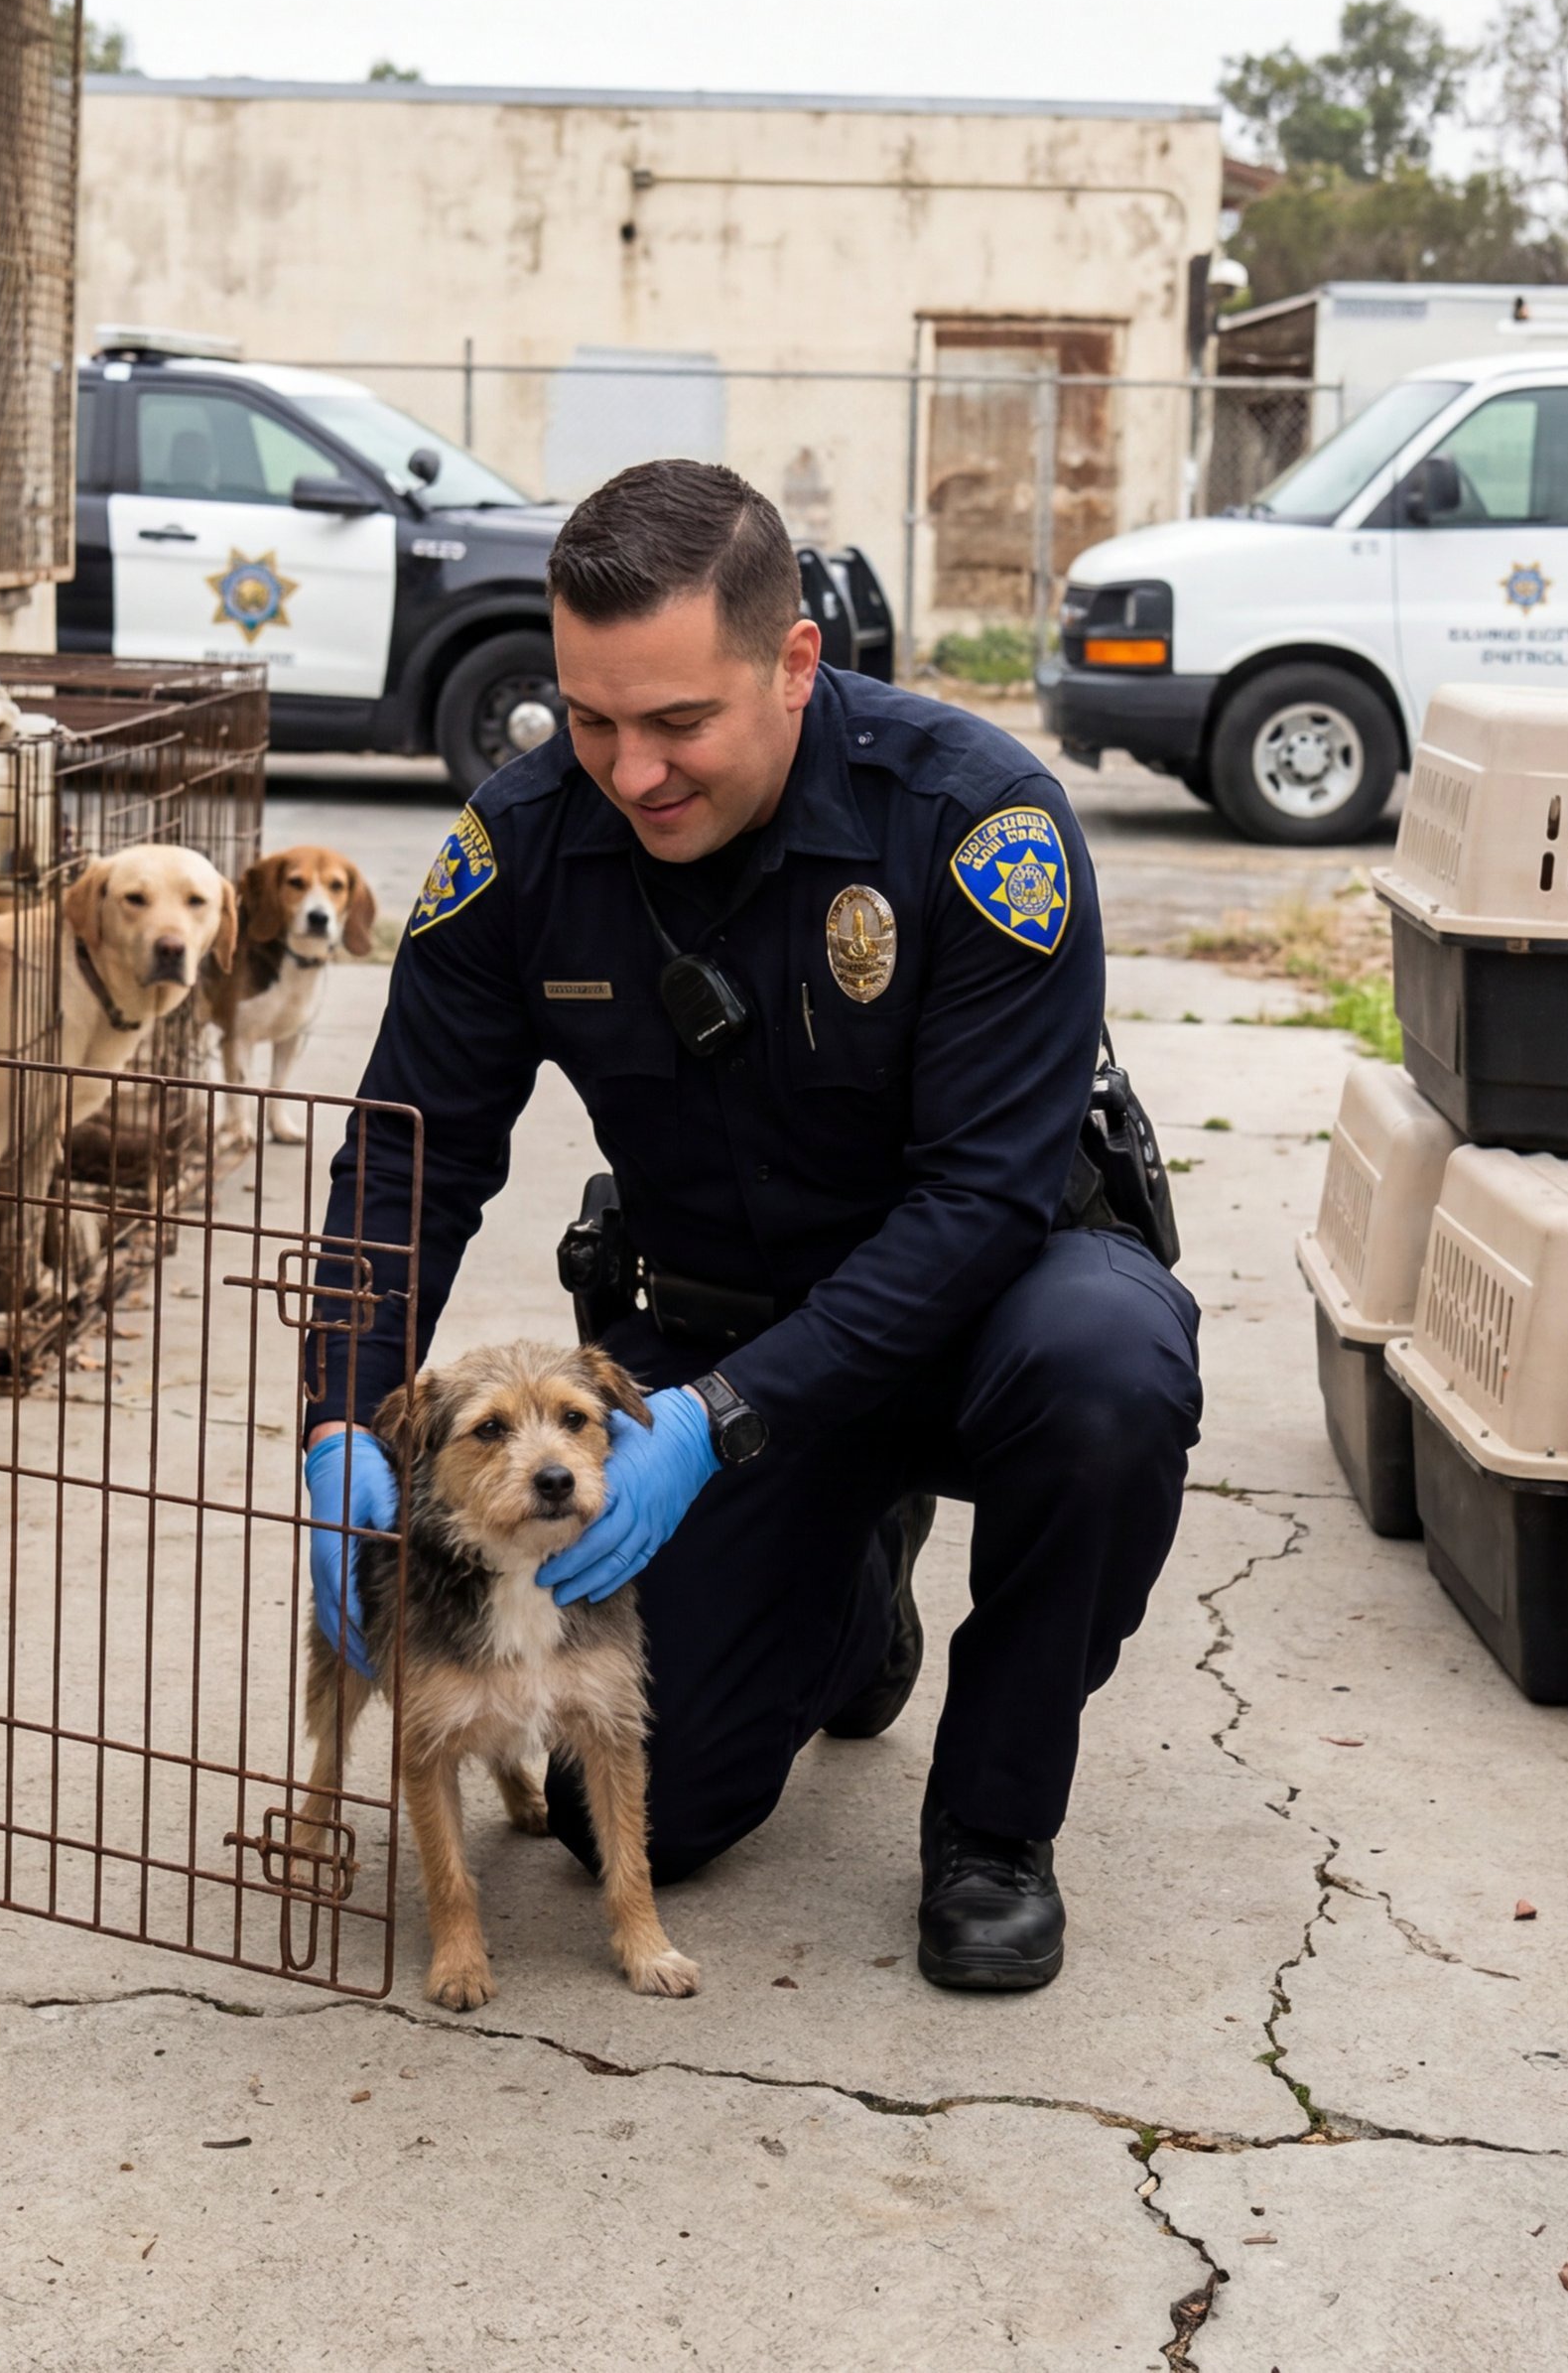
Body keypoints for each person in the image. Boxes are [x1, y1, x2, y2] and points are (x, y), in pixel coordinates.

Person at [302, 459, 1201, 1992]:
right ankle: (851, 1604)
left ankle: (994, 1823)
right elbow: (410, 1152)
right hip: (713, 1321)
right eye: (590, 718)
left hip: (981, 1317)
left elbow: (982, 1199)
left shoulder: (974, 821)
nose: (630, 770)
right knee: (625, 1803)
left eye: (677, 722)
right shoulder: (524, 843)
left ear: (794, 662)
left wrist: (721, 1425)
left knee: (1110, 1368)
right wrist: (340, 1415)